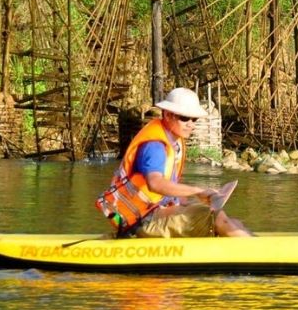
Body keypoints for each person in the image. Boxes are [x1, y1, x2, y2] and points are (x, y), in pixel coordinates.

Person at [97, 87, 252, 238]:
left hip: (154, 214)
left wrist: (192, 200)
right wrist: (197, 191)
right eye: (184, 118)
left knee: (230, 220)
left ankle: (252, 244)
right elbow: (155, 184)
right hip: (142, 221)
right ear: (168, 115)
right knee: (217, 218)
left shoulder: (174, 142)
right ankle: (258, 256)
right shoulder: (155, 147)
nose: (191, 124)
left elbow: (170, 192)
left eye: (194, 119)